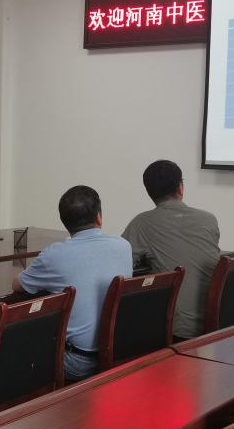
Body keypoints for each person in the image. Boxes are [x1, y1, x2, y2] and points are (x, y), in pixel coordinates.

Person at [13, 185, 132, 382]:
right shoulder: (124, 246)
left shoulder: (54, 255)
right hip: (119, 352)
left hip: (77, 362)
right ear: (99, 217)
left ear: (65, 223)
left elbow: (18, 286)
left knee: (18, 344)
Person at [122, 160, 221, 340]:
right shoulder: (209, 219)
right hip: (219, 320)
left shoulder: (142, 223)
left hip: (178, 330)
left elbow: (119, 260)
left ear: (149, 193)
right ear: (180, 188)